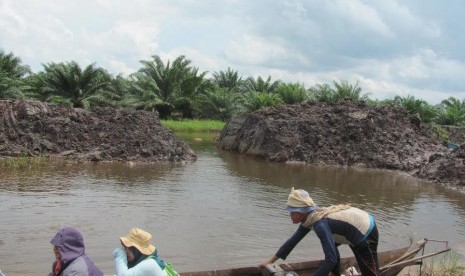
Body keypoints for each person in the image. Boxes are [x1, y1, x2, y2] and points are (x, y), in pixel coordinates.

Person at [260, 187, 380, 276]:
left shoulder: (319, 224)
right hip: (351, 230)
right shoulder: (310, 219)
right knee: (332, 247)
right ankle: (336, 273)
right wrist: (269, 262)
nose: (290, 215)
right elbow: (292, 241)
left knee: (369, 272)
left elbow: (330, 259)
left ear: (302, 212)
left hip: (365, 231)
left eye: (292, 212)